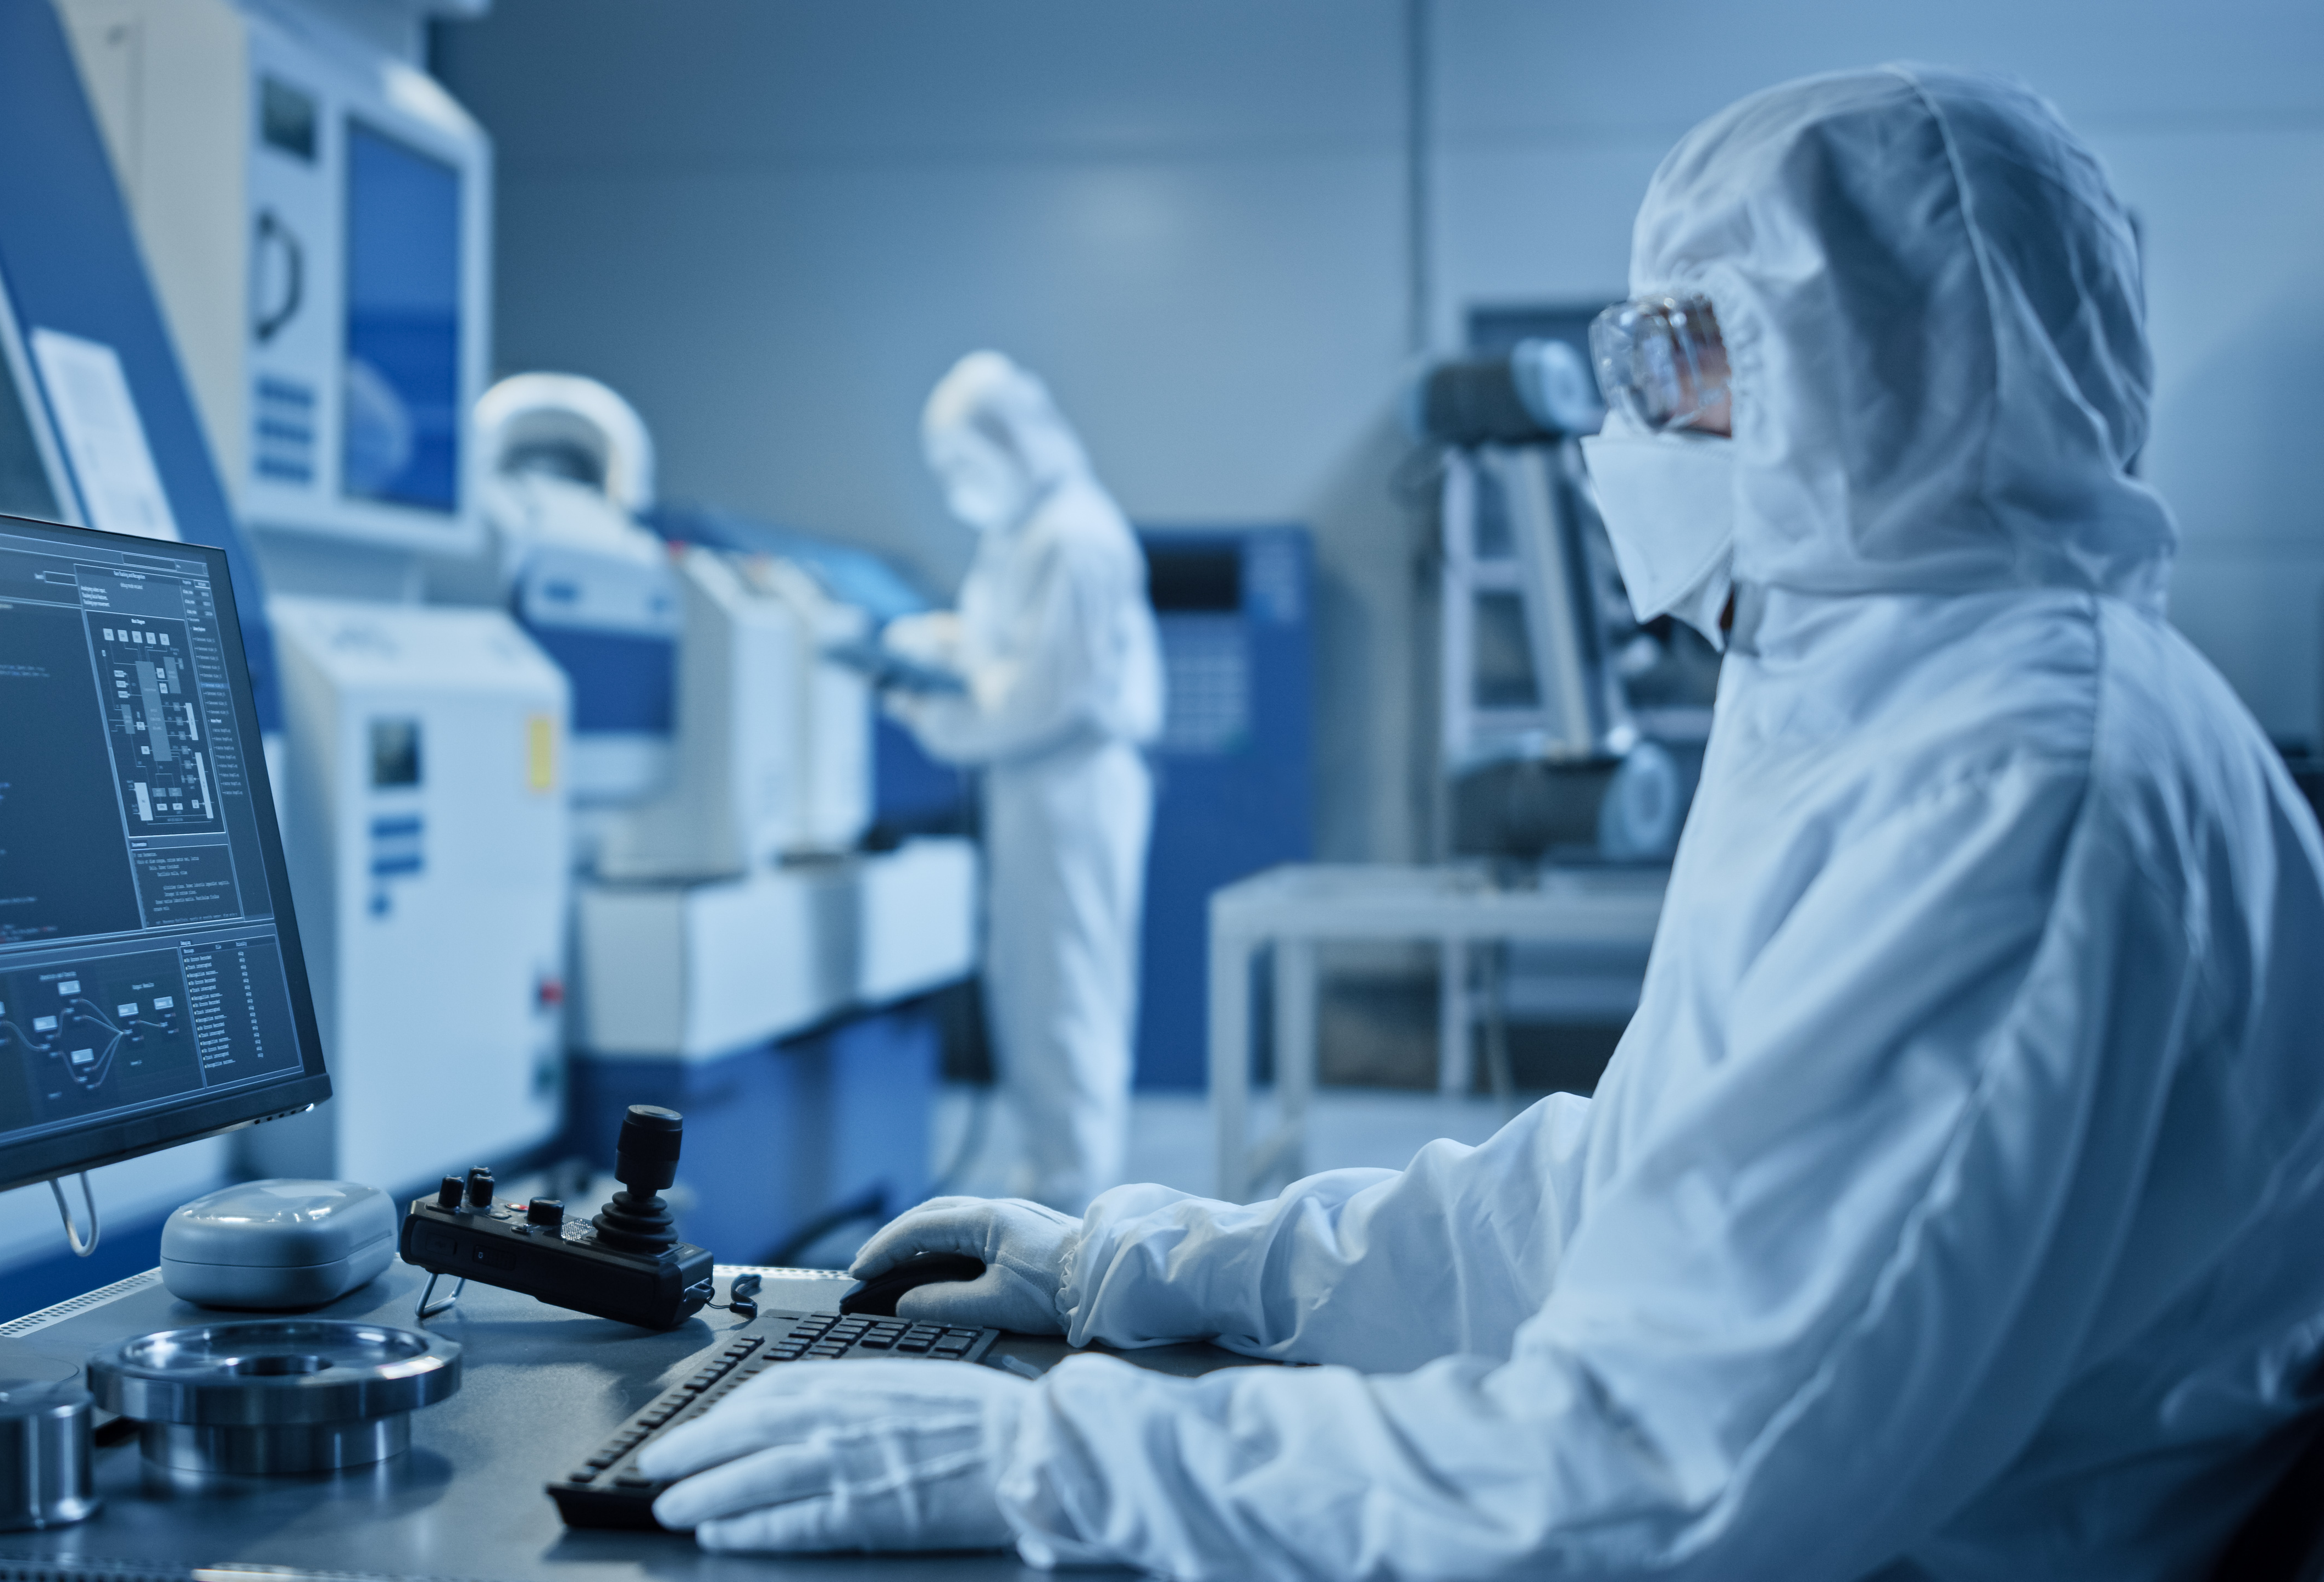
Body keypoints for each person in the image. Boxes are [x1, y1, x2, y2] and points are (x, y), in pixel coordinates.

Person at [635, 66, 2324, 1579]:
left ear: (1877, 364)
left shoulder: (2013, 784)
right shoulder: (1883, 687)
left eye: (1682, 351)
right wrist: (1157, 1263)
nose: (1632, 418)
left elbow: (1665, 1481)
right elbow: (1629, 1191)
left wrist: (1050, 1462)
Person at [879, 351, 1164, 1215]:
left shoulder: (1073, 537)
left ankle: (1073, 1203)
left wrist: (928, 711)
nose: (958, 487)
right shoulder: (1026, 533)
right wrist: (932, 646)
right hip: (1034, 789)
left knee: (1066, 994)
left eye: (965, 465)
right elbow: (1001, 645)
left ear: (1010, 443)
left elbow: (1042, 696)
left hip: (1071, 786)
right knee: (1033, 987)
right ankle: (1051, 1179)